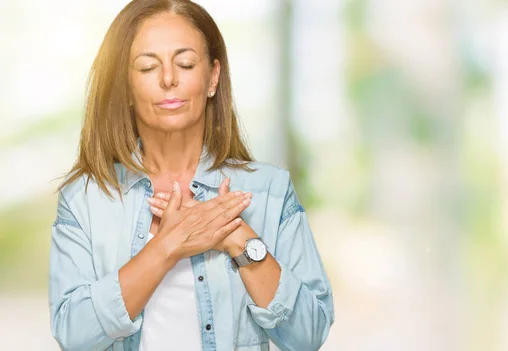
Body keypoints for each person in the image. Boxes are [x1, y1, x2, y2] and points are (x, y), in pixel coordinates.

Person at [48, 1, 334, 350]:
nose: (169, 79)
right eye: (148, 67)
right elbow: (74, 337)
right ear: (125, 85)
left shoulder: (270, 190)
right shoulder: (86, 198)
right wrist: (169, 244)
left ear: (213, 77)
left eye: (185, 63)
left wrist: (237, 237)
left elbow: (309, 335)